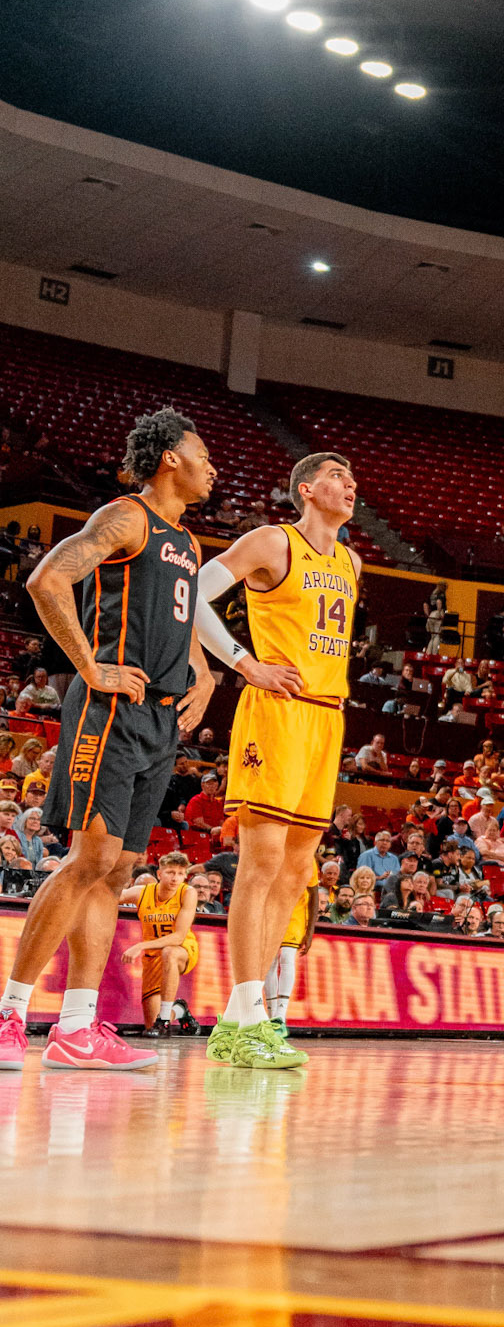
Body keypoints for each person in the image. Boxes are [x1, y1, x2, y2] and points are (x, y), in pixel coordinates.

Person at [0, 410, 216, 1074]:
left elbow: (180, 623)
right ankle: (9, 1013)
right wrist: (90, 668)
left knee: (119, 870)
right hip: (109, 710)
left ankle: (75, 1028)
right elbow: (45, 579)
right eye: (203, 455)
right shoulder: (126, 517)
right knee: (87, 860)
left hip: (159, 720)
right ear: (171, 458)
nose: (212, 468)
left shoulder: (188, 542)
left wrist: (204, 675)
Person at [192, 451, 360, 1072]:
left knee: (294, 875)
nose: (349, 484)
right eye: (337, 475)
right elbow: (195, 593)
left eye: (351, 477)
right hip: (277, 710)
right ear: (306, 489)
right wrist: (244, 663)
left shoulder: (351, 561)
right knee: (260, 864)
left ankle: (241, 1020)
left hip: (327, 718)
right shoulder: (271, 541)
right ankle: (247, 1013)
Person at [119, 849, 200, 1036]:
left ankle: (164, 1020)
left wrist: (139, 945)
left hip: (182, 949)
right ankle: (179, 1010)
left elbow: (178, 937)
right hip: (152, 956)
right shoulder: (142, 892)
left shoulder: (187, 893)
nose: (175, 878)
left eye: (180, 873)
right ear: (159, 874)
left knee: (169, 952)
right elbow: (114, 896)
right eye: (170, 872)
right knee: (150, 1027)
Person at [264, 859, 322, 1041]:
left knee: (287, 958)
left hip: (295, 914)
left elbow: (314, 895)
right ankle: (272, 1014)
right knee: (270, 962)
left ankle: (281, 1014)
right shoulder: (272, 853)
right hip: (271, 912)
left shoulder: (307, 858)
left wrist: (310, 930)